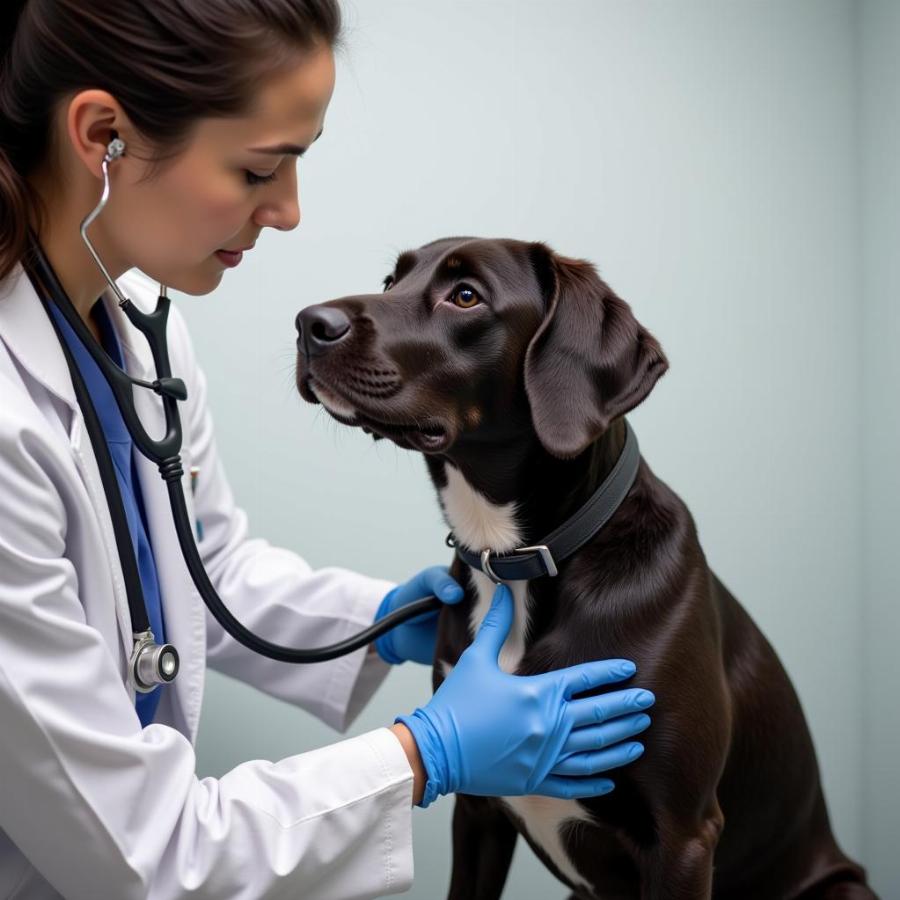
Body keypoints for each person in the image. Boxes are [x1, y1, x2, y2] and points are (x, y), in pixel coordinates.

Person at [0, 2, 655, 898]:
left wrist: (380, 621)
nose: (289, 212)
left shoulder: (142, 333)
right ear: (104, 134)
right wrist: (425, 754)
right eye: (260, 167)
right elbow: (144, 852)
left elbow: (204, 574)